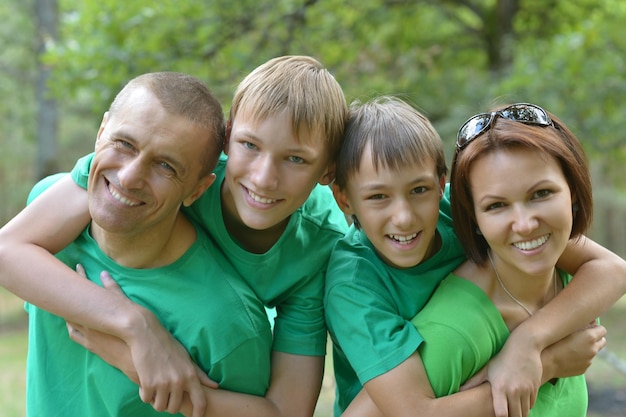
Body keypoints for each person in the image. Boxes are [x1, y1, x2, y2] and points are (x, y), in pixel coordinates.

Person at [0, 56, 349, 417]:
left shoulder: (321, 249)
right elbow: (9, 249)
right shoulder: (174, 163)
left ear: (328, 171)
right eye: (250, 145)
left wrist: (140, 368)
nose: (263, 178)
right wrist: (134, 325)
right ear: (228, 138)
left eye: (295, 160)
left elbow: (287, 411)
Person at [325, 97, 624, 417]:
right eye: (378, 197)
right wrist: (550, 363)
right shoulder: (352, 282)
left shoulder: (464, 209)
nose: (404, 217)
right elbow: (411, 411)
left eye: (419, 190)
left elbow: (611, 269)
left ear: (441, 186)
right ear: (344, 199)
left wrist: (528, 340)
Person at [411, 102, 610, 416]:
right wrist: (551, 363)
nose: (525, 224)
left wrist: (530, 342)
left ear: (571, 190)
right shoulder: (454, 331)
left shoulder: (574, 287)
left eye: (541, 194)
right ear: (474, 218)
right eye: (496, 206)